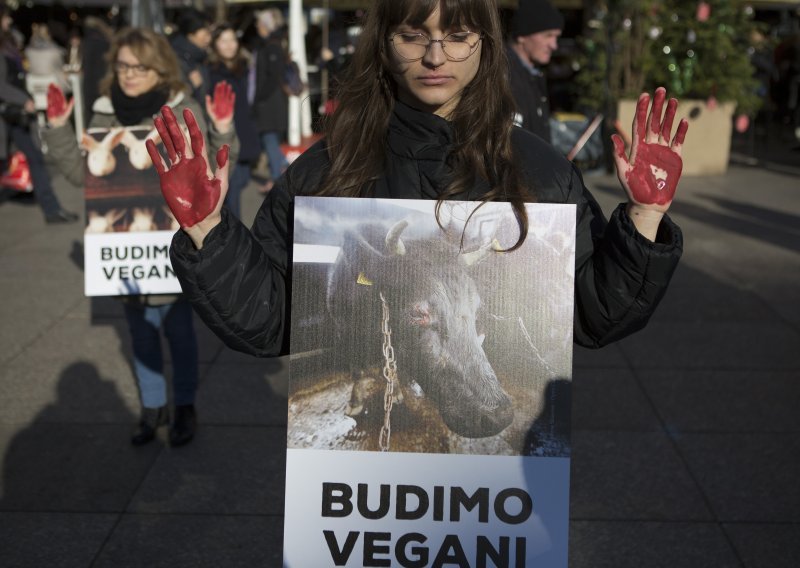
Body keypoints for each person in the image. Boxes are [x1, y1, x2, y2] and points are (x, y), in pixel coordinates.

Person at [150, 0, 688, 361]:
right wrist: (209, 230)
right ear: (383, 44)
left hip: (498, 504)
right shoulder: (325, 173)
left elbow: (595, 315)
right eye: (413, 35)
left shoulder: (541, 172)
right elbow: (269, 320)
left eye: (456, 36)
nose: (435, 56)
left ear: (484, 44)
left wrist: (644, 218)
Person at [42, 27, 239, 446]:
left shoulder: (181, 109)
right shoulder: (102, 111)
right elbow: (84, 174)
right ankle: (153, 407)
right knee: (141, 334)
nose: (129, 74)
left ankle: (184, 405)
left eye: (139, 66)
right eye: (123, 66)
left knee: (180, 334)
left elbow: (209, 173)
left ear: (159, 67)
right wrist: (58, 130)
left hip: (173, 247)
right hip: (125, 252)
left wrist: (222, 130)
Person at [0, 7, 77, 223]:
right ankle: (51, 208)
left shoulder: (10, 42)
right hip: (10, 111)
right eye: (5, 17)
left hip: (15, 115)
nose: (8, 21)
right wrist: (22, 99)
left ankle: (52, 209)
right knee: (27, 159)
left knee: (35, 158)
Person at [208, 23, 260, 219]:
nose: (229, 45)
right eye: (223, 41)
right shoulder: (211, 72)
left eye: (232, 40)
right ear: (215, 45)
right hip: (225, 138)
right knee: (231, 192)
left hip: (245, 136)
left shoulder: (246, 68)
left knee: (240, 185)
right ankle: (234, 239)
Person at [506, 0, 564, 142]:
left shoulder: (533, 75)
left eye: (556, 37)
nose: (554, 45)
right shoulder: (502, 77)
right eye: (548, 35)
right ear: (522, 36)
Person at [251, 8, 289, 193]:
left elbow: (272, 77)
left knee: (269, 140)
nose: (257, 26)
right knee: (269, 140)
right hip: (270, 103)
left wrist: (258, 98)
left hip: (270, 104)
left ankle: (277, 176)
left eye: (259, 23)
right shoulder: (271, 44)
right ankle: (281, 168)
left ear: (266, 25)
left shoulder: (271, 46)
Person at [170, 8, 212, 105]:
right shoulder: (176, 59)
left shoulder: (199, 57)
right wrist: (191, 86)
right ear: (191, 33)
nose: (209, 38)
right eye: (206, 33)